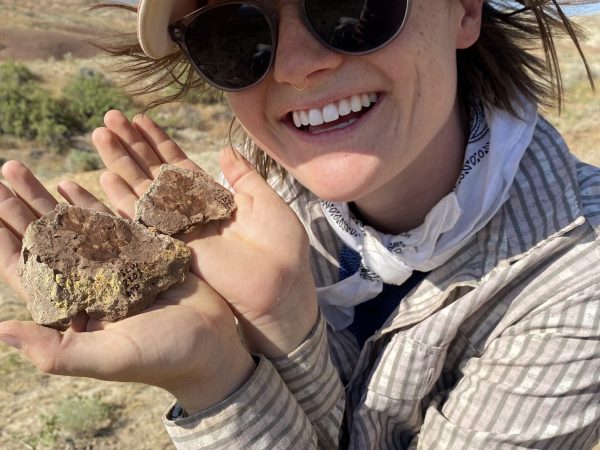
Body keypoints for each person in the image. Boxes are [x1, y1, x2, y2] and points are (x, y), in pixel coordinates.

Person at [0, 0, 598, 448]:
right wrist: (245, 347)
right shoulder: (243, 220)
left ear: (463, 10)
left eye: (350, 7)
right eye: (232, 33)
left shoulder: (581, 277)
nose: (295, 67)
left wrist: (239, 378)